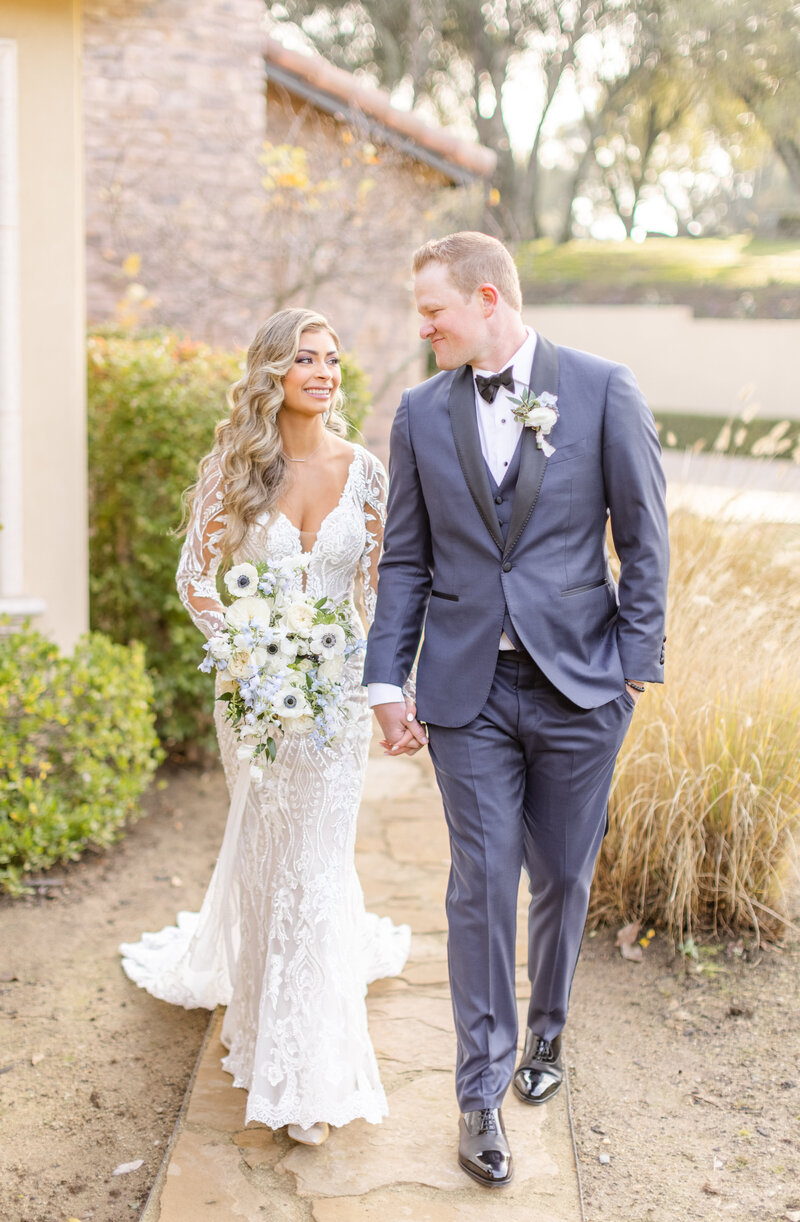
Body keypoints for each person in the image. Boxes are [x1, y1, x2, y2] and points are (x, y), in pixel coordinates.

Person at [364, 232, 669, 1186]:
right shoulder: (418, 414)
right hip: (468, 693)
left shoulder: (603, 387)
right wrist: (386, 679)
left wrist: (632, 670)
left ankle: (547, 1036)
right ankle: (479, 1093)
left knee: (564, 877)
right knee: (483, 882)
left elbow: (645, 539)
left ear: (487, 298)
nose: (423, 327)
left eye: (434, 311)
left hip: (583, 685)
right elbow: (408, 556)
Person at [120, 307, 410, 1146]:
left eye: (333, 360)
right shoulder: (235, 467)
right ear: (272, 373)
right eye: (306, 360)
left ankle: (308, 1070)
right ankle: (254, 1016)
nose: (324, 373)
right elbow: (197, 579)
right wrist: (249, 652)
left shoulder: (367, 472)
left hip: (338, 695)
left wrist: (388, 679)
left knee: (316, 868)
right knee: (265, 857)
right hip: (251, 692)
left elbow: (385, 588)